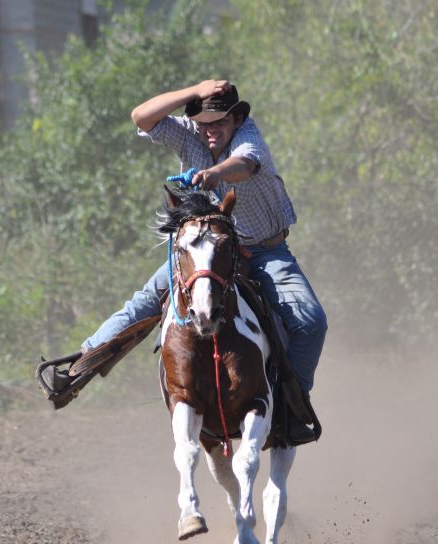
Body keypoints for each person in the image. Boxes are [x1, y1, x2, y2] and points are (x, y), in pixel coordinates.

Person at [80, 80, 327, 443]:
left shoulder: (249, 138)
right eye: (204, 123)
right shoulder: (189, 134)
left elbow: (245, 164)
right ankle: (83, 361)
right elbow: (141, 116)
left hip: (263, 251)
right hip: (208, 251)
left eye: (219, 122)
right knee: (147, 300)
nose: (211, 130)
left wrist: (213, 175)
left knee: (311, 321)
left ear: (237, 118)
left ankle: (293, 405)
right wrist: (192, 91)